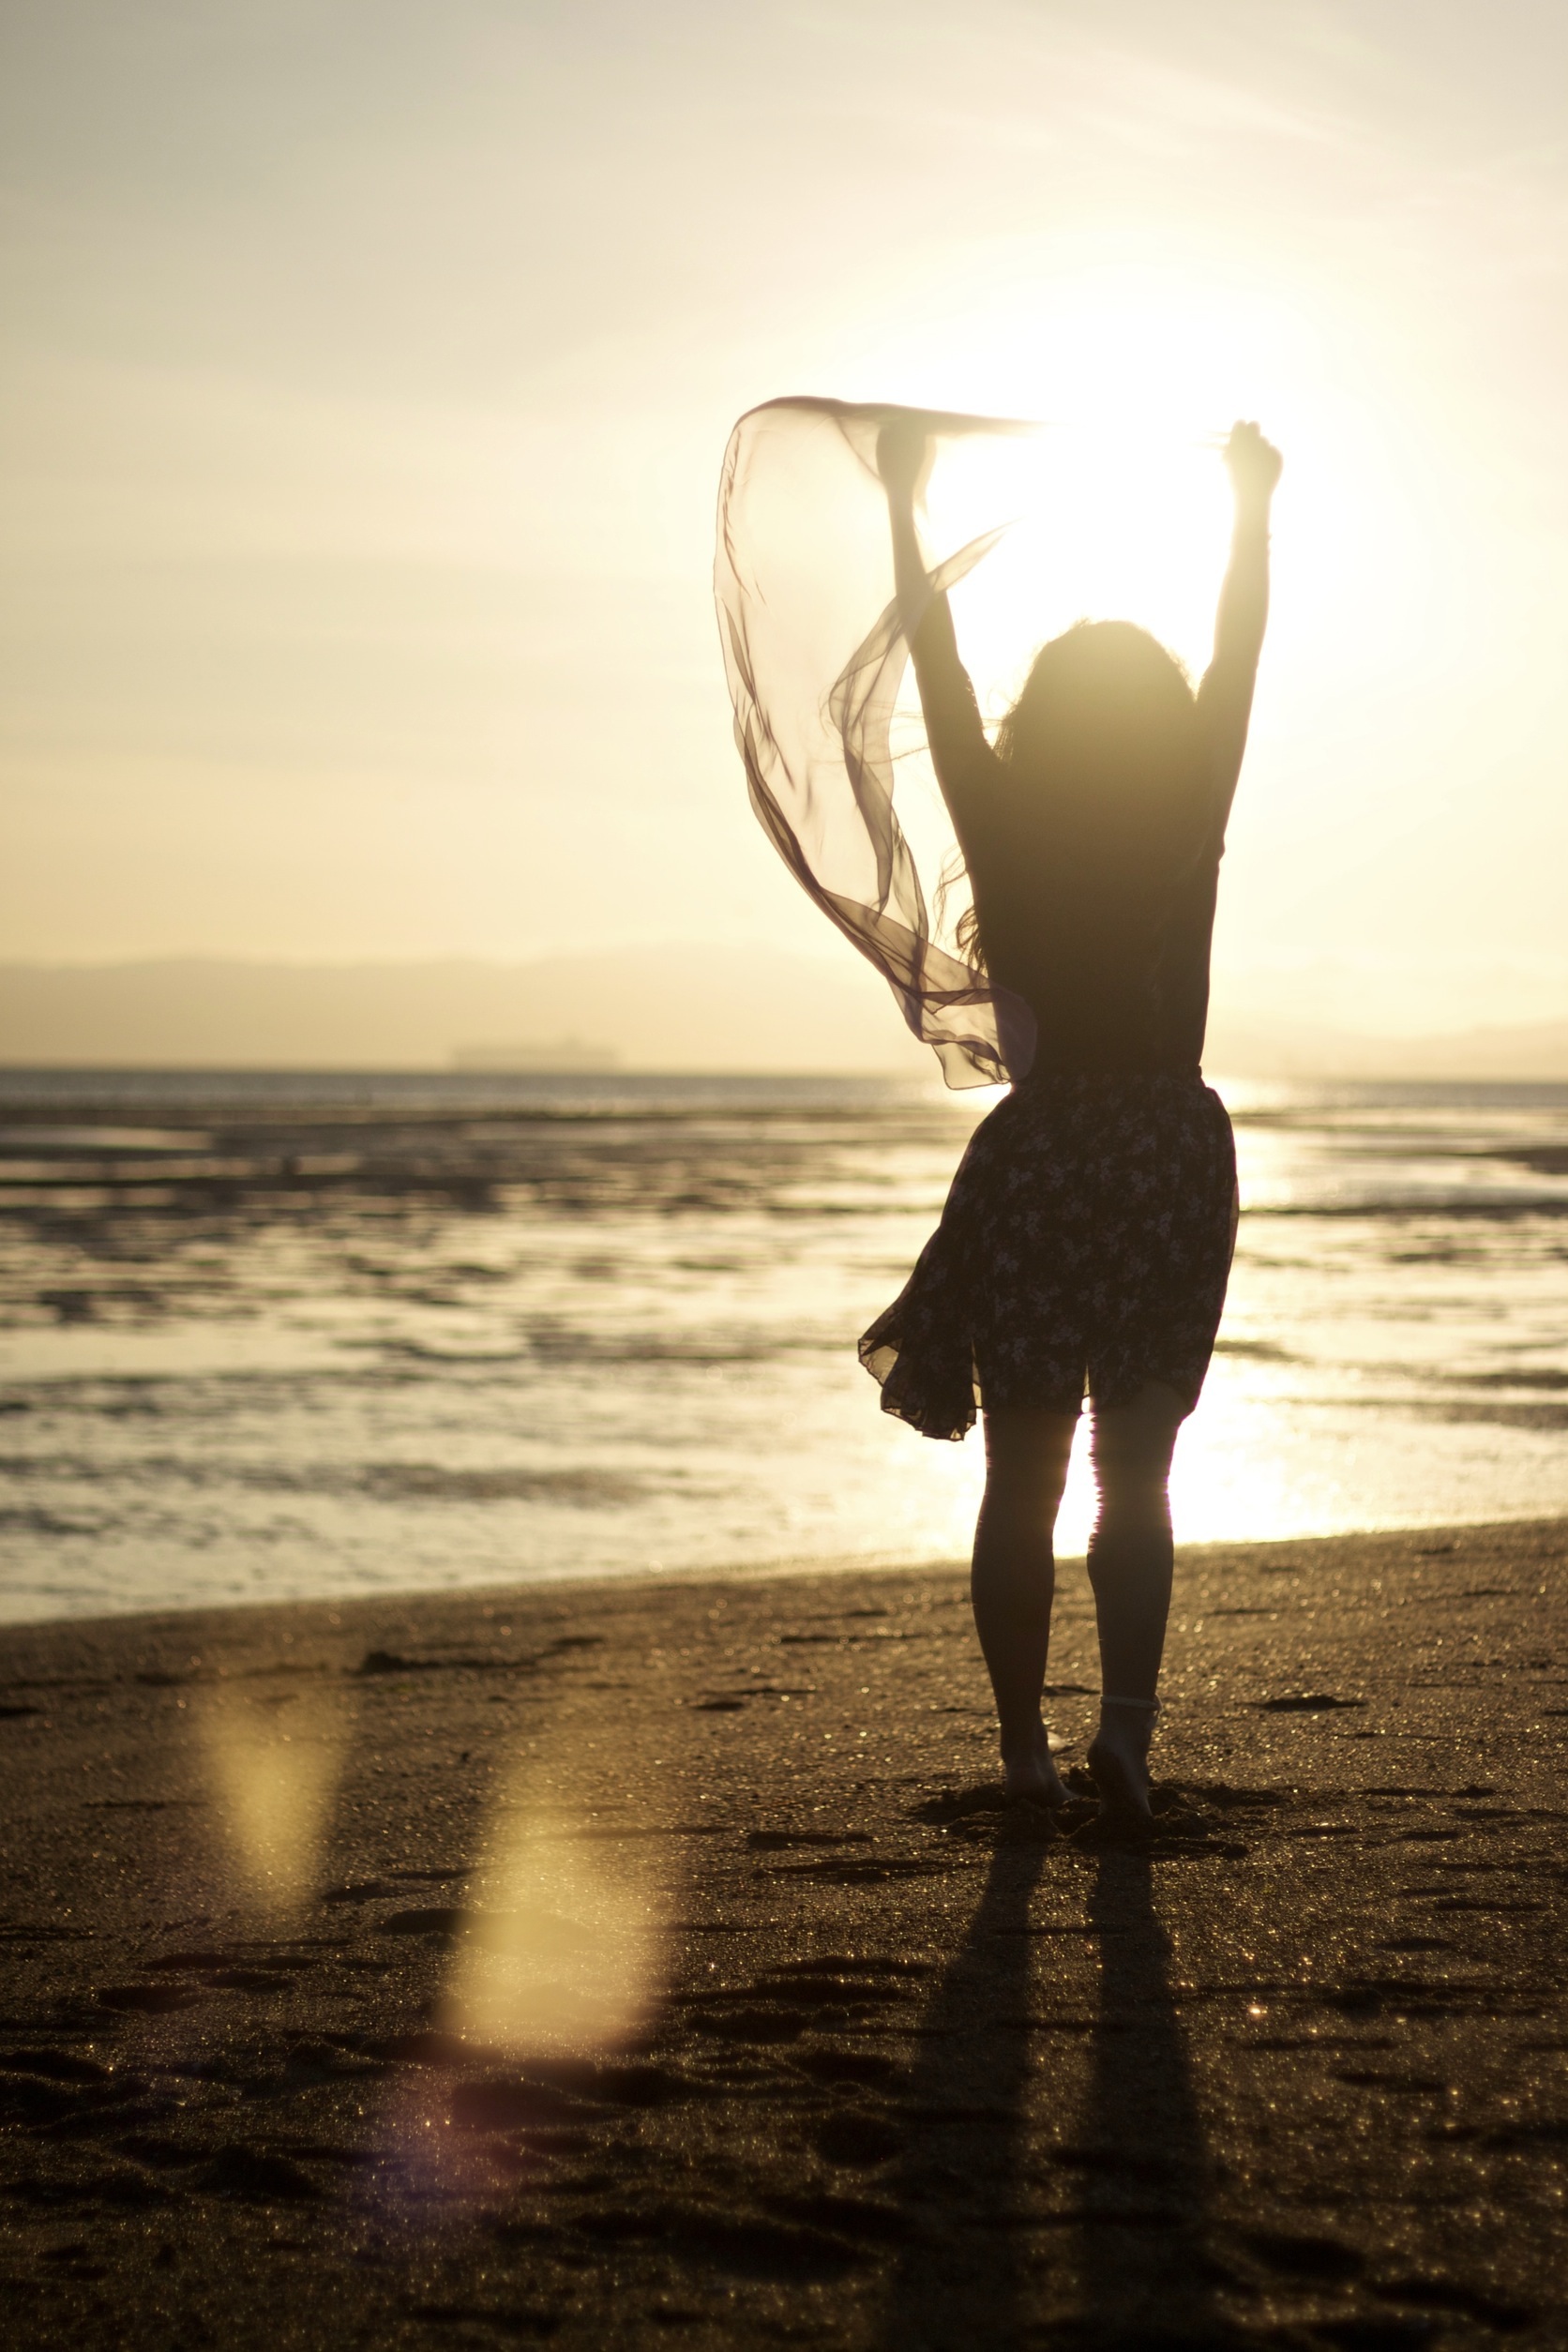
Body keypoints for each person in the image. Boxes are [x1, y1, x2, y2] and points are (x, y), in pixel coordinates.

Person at [859, 416, 1283, 1832]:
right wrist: (1248, 504)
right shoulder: (1190, 805)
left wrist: (908, 512)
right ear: (1162, 721)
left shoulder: (1009, 817)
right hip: (1167, 1147)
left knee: (1025, 1473)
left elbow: (937, 660)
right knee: (1138, 1470)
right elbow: (1244, 645)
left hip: (1042, 1158)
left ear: (1044, 726)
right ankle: (1129, 1740)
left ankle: (1024, 1758)